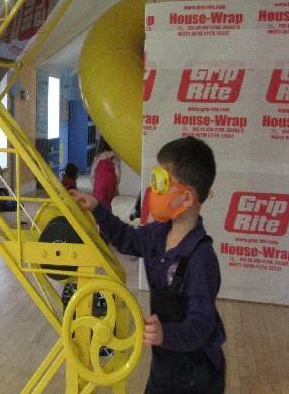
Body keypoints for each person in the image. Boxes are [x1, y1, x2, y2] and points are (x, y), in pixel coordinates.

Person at [70, 136, 225, 393]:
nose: (151, 191)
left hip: (197, 376)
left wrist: (166, 335)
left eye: (161, 183)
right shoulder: (156, 234)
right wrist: (98, 209)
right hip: (164, 366)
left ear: (186, 198)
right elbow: (126, 238)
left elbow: (202, 324)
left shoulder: (201, 258)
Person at [90, 138, 120, 208]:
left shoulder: (97, 157)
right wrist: (116, 187)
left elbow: (92, 174)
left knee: (98, 206)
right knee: (109, 205)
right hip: (111, 185)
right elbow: (118, 174)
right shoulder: (115, 157)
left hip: (99, 185)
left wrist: (95, 185)